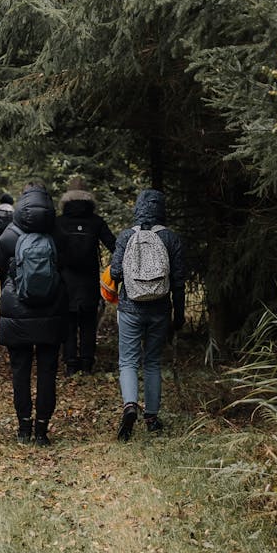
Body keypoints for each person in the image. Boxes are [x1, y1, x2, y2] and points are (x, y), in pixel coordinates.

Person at [0, 181, 67, 446]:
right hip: (52, 310)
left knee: (20, 371)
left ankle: (23, 428)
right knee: (47, 371)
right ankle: (42, 430)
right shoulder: (56, 232)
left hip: (16, 310)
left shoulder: (12, 233)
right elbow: (68, 262)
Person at [110, 188, 186, 441]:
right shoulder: (170, 238)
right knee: (152, 362)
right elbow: (178, 281)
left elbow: (117, 274)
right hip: (160, 310)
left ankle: (130, 404)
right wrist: (179, 314)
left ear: (137, 208)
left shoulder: (125, 236)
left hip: (130, 308)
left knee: (128, 361)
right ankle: (151, 417)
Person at [54, 176, 116, 374]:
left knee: (69, 321)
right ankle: (87, 363)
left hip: (66, 279)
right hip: (89, 279)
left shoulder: (59, 222)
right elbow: (114, 245)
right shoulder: (96, 222)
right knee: (88, 321)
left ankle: (71, 363)